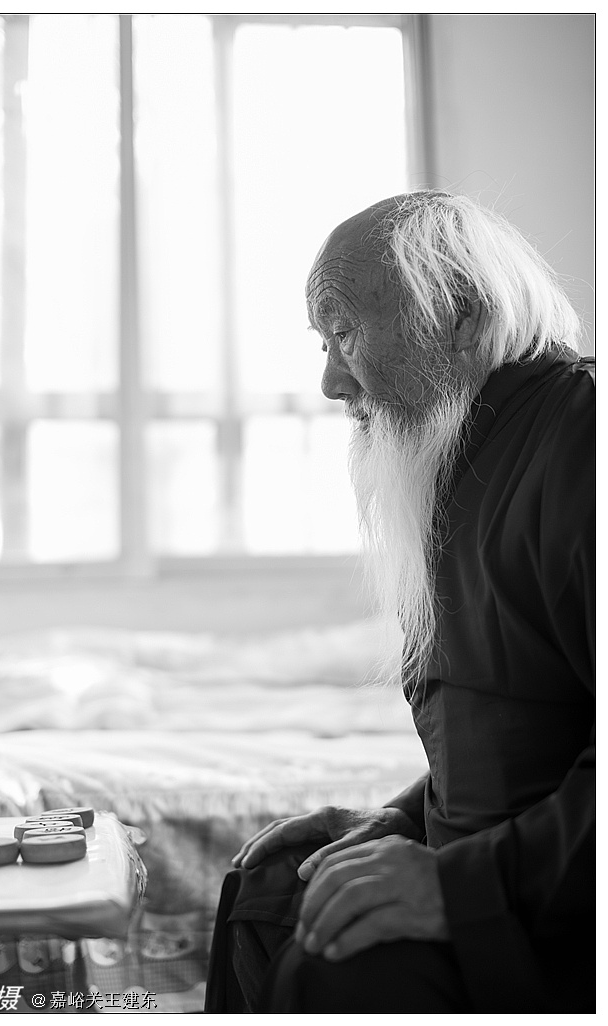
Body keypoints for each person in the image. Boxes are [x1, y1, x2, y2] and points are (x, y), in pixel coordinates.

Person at [204, 191, 595, 1014]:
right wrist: (404, 820)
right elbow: (519, 733)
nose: (328, 382)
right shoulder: (472, 450)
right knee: (272, 882)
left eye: (343, 333)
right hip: (507, 872)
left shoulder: (582, 439)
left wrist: (456, 883)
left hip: (559, 915)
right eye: (322, 343)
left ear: (459, 313)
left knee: (333, 965)